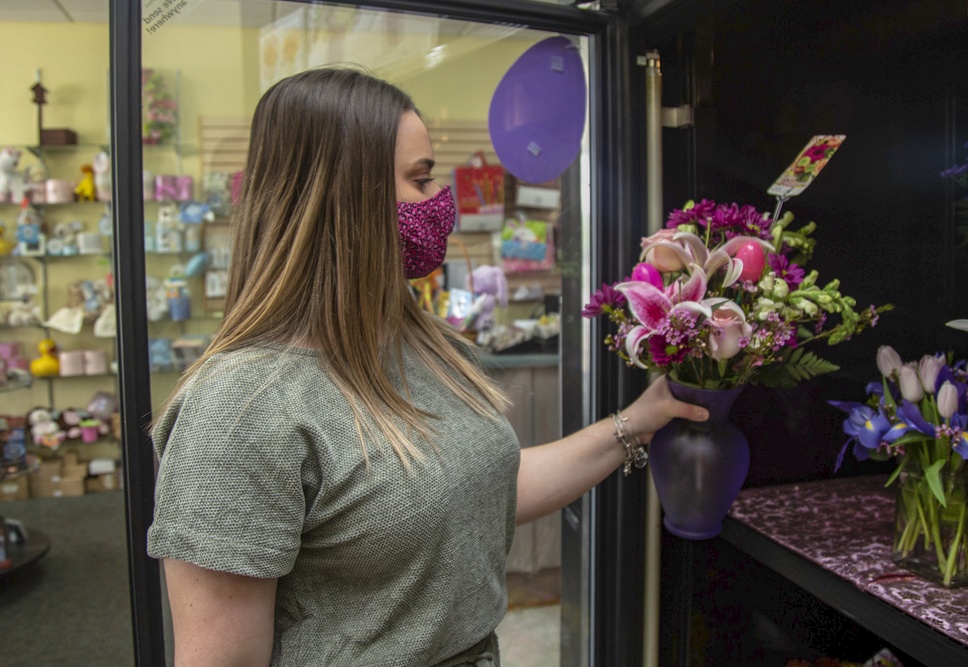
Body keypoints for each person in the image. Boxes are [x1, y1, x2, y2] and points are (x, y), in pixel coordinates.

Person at [146, 67, 708, 667]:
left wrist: (633, 425)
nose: (439, 202)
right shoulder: (241, 409)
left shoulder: (419, 341)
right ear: (343, 195)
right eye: (420, 179)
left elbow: (471, 491)